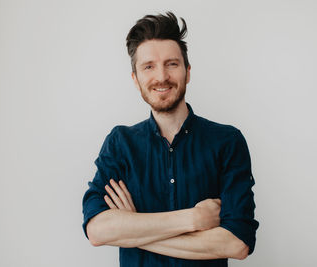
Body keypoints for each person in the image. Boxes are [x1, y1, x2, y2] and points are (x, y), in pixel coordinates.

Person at [82, 11, 259, 267]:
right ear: (136, 79)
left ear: (187, 72)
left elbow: (237, 243)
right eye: (148, 66)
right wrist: (192, 219)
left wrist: (133, 231)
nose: (161, 76)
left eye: (171, 64)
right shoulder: (120, 144)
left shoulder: (227, 141)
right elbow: (97, 230)